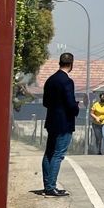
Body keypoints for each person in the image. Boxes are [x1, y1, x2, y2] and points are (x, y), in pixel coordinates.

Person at [42, 52, 79, 197]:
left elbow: (45, 102)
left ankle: (47, 184)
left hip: (51, 120)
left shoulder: (50, 80)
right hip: (64, 122)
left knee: (49, 153)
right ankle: (51, 187)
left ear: (59, 62)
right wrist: (76, 107)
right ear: (71, 64)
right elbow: (70, 103)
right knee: (58, 155)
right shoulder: (67, 81)